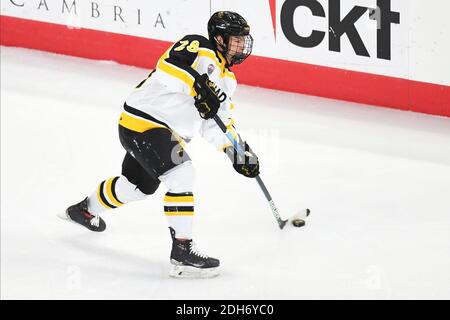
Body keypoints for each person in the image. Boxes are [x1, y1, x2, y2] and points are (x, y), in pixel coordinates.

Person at [61, 11, 260, 278]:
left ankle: (83, 210)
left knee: (138, 188)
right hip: (144, 121)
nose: (241, 46)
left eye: (243, 41)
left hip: (159, 134)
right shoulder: (198, 46)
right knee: (182, 173)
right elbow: (167, 68)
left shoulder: (228, 81)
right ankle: (182, 252)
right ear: (220, 39)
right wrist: (196, 85)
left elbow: (216, 122)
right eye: (236, 40)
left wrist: (236, 151)